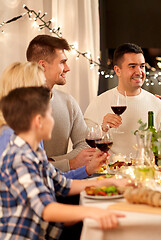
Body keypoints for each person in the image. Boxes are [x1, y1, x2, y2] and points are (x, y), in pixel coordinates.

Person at [0, 86, 127, 239]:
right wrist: (92, 212)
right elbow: (46, 209)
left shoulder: (35, 152)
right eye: (50, 115)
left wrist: (108, 182)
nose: (53, 121)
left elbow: (63, 184)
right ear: (39, 121)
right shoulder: (19, 157)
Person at [0, 62, 106, 179]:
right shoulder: (11, 140)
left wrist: (87, 170)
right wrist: (70, 163)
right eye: (41, 87)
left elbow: (53, 180)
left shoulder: (30, 131)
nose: (47, 93)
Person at [84, 43, 161, 156]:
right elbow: (84, 145)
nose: (139, 72)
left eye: (142, 66)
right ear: (117, 70)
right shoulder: (98, 102)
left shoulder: (157, 105)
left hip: (145, 171)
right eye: (132, 66)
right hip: (110, 171)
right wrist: (103, 128)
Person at [26, 34, 94, 173]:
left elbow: (85, 146)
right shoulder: (17, 106)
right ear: (42, 66)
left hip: (63, 183)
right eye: (62, 62)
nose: (68, 68)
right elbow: (28, 164)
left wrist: (54, 162)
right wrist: (70, 163)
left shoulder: (68, 102)